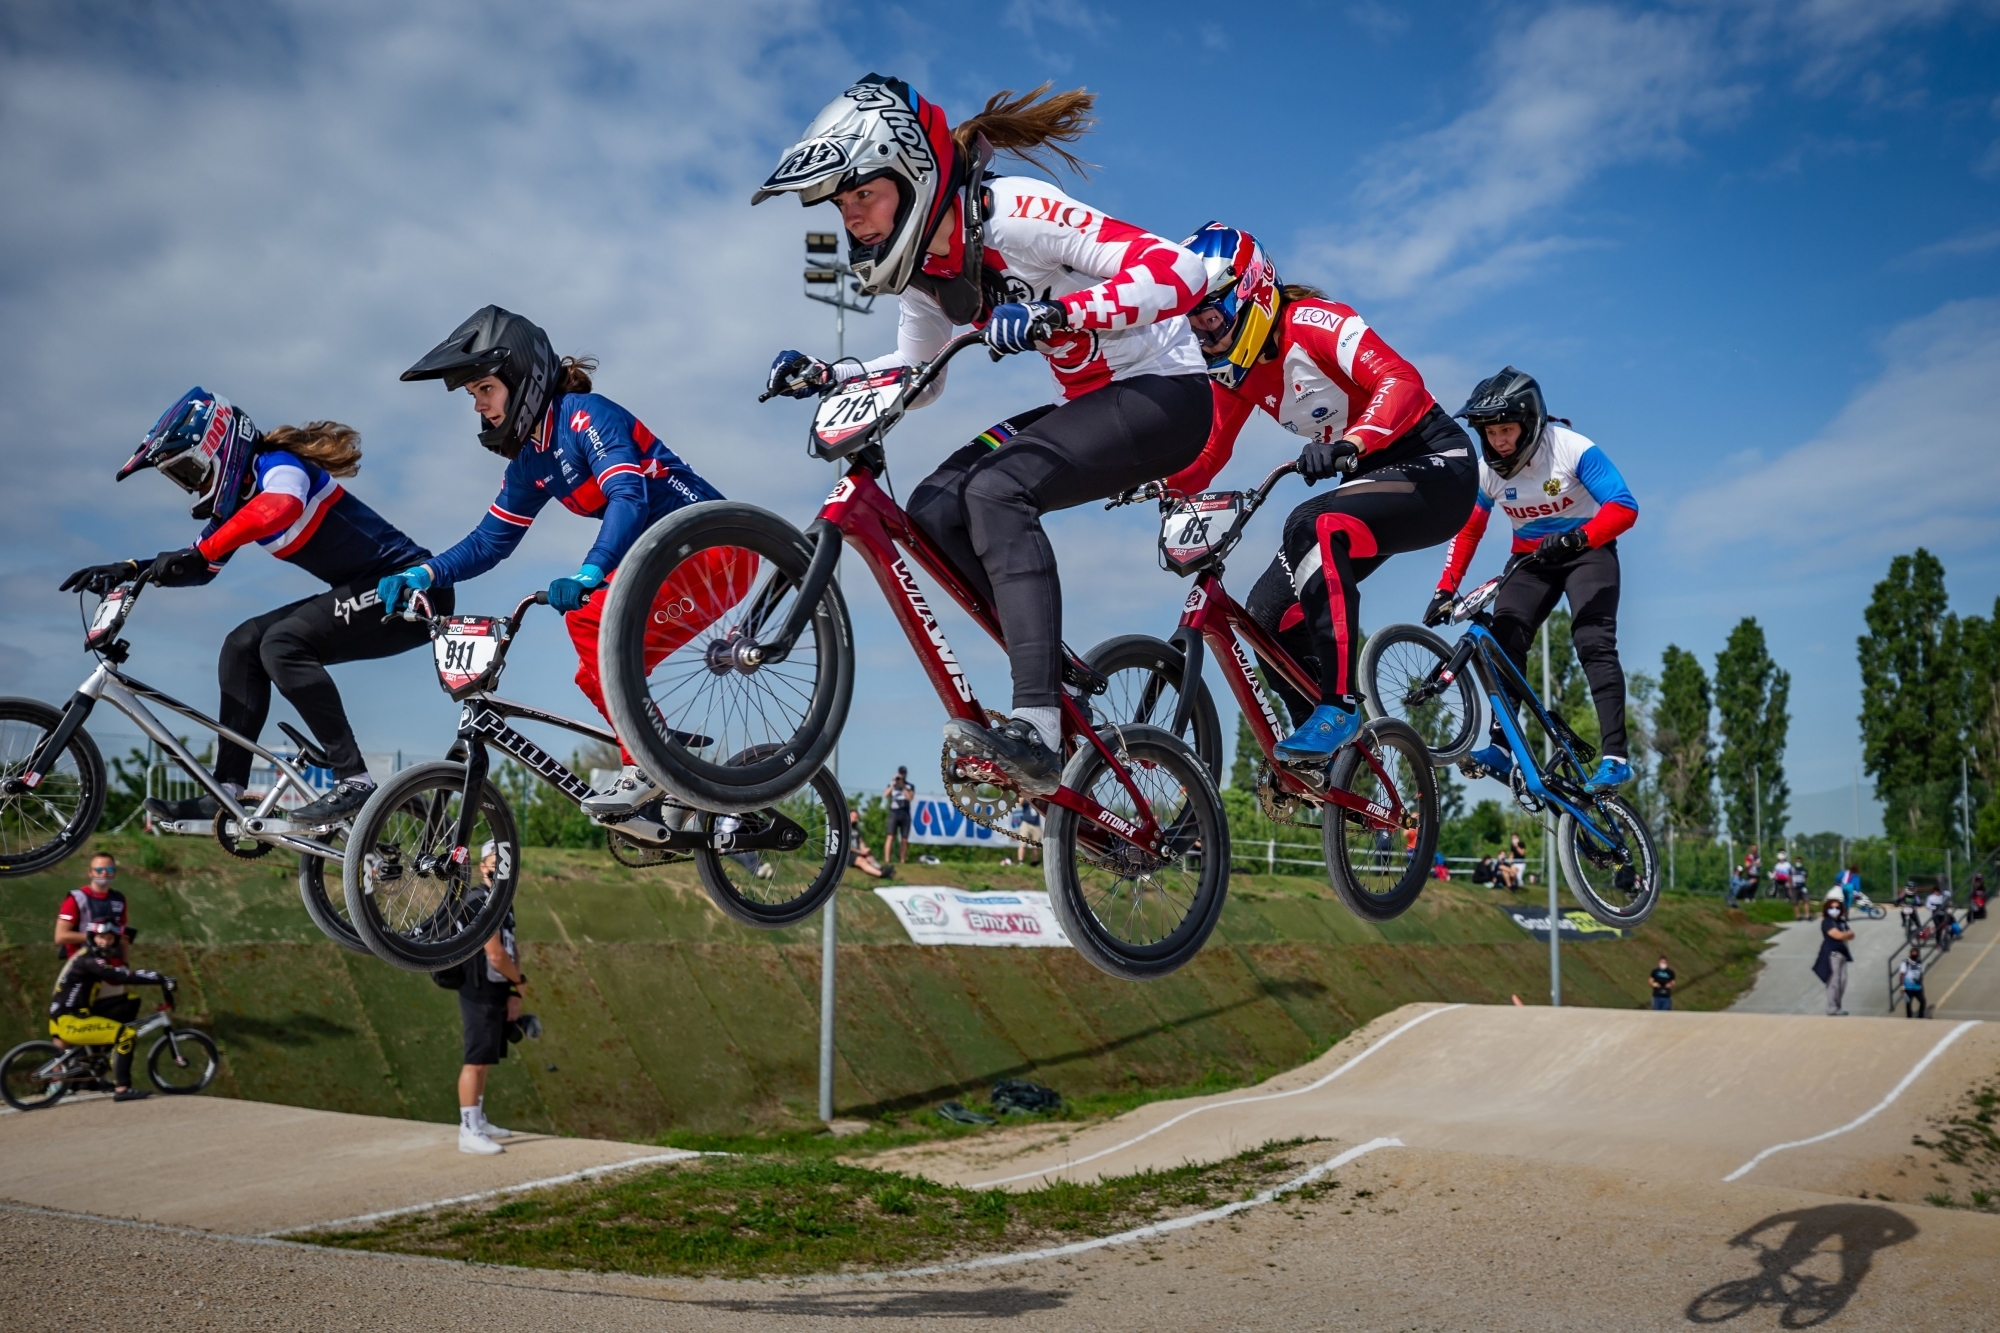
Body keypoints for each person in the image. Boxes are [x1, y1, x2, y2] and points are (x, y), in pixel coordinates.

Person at [758, 77, 1211, 793]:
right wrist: (833, 372)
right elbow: (920, 372)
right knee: (936, 507)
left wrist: (1064, 314)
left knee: (999, 489)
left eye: (863, 198)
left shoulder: (1017, 217)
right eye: (843, 209)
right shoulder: (926, 270)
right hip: (1093, 402)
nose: (855, 222)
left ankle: (1035, 719)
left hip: (1166, 394)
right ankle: (1050, 676)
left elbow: (1181, 269)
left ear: (910, 176)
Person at [388, 308, 744, 820]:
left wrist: (589, 572)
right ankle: (680, 779)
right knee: (592, 673)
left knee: (588, 621)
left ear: (521, 379)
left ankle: (652, 765)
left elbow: (628, 495)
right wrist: (424, 573)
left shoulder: (585, 415)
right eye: (472, 396)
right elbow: (490, 541)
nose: (479, 406)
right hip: (662, 564)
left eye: (484, 389)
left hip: (715, 553)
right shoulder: (532, 460)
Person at [1156, 224, 1476, 764]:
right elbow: (1210, 452)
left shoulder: (1313, 323)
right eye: (1194, 328)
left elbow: (1402, 382)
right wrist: (1155, 482)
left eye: (1209, 319)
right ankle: (1326, 761)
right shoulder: (1237, 372)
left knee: (1311, 523)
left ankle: (1340, 703)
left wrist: (1354, 441)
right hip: (1368, 482)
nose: (1206, 338)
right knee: (1263, 617)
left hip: (1436, 466)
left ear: (1250, 291)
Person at [61, 391, 443, 827]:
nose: (193, 486)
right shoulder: (244, 502)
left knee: (282, 644)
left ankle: (354, 780)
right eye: (183, 479)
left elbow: (282, 506)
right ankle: (226, 790)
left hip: (409, 587)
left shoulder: (277, 464)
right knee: (242, 645)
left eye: (191, 471)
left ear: (222, 447)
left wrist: (204, 547)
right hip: (370, 594)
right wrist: (130, 569)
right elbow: (199, 565)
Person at [1432, 369, 1639, 794]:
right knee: (1504, 640)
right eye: (1490, 432)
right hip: (1531, 559)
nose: (1499, 441)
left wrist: (1579, 536)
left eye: (1507, 429)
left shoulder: (1569, 448)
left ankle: (1615, 757)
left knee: (1592, 641)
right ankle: (1501, 746)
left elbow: (1623, 506)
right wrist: (1445, 588)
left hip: (1588, 551)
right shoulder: (1489, 470)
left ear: (1530, 422)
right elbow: (1468, 531)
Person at [456, 846, 533, 1155]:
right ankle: (468, 1129)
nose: (498, 869)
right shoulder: (478, 900)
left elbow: (512, 948)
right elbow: (496, 954)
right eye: (493, 863)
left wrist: (514, 991)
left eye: (504, 865)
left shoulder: (503, 902)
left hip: (497, 986)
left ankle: (478, 1119)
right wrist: (518, 981)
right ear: (482, 866)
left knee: (486, 1058)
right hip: (479, 987)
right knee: (475, 1060)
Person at [47, 919, 175, 1101]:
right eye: (100, 937)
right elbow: (120, 976)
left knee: (129, 1001)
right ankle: (123, 1089)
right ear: (92, 937)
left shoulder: (87, 956)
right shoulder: (91, 960)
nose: (105, 942)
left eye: (109, 938)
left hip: (67, 1016)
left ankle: (101, 1067)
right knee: (126, 1035)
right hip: (72, 1021)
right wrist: (158, 977)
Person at [55, 852, 131, 960]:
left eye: (109, 870)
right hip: (83, 962)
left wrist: (125, 963)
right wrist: (95, 937)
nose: (104, 873)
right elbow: (60, 936)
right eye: (99, 870)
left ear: (114, 872)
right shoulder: (76, 898)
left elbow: (124, 938)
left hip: (112, 963)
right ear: (90, 872)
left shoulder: (119, 898)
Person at [1813, 889, 1854, 1016]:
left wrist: (1845, 935)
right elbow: (1836, 935)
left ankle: (1838, 1007)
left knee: (1842, 981)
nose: (1834, 909)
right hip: (1832, 954)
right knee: (1834, 983)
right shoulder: (1827, 922)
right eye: (1831, 907)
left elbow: (1851, 934)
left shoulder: (1841, 922)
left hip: (1843, 954)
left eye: (1837, 907)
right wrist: (1845, 935)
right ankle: (1832, 1008)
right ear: (1827, 908)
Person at [847, 808, 891, 879]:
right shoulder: (844, 829)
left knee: (870, 857)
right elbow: (847, 846)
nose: (857, 820)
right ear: (850, 816)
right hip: (848, 855)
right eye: (855, 818)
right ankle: (881, 874)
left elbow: (860, 841)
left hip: (857, 852)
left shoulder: (856, 829)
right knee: (861, 860)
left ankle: (882, 868)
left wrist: (864, 850)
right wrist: (861, 852)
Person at [883, 768, 915, 864]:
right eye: (900, 773)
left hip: (905, 813)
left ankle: (902, 860)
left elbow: (910, 798)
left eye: (903, 773)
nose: (902, 775)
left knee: (904, 838)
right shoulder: (892, 784)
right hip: (894, 812)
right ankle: (887, 859)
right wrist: (893, 784)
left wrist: (903, 786)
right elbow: (885, 795)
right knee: (890, 836)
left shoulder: (910, 786)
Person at [1899, 948, 1928, 1019]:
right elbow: (1901, 975)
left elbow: (1921, 975)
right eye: (1913, 952)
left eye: (1916, 953)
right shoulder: (1905, 962)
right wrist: (1902, 987)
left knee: (1923, 1001)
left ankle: (1920, 1017)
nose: (1914, 954)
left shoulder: (1919, 963)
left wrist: (1922, 986)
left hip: (1917, 988)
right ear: (1910, 953)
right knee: (1908, 1003)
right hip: (1908, 988)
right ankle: (1909, 1017)